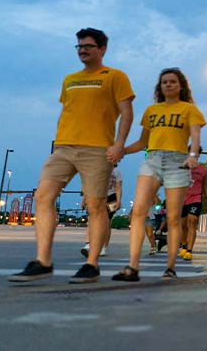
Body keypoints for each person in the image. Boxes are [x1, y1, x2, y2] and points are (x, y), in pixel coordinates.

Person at [9, 28, 134, 283]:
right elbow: (68, 112)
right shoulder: (70, 80)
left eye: (88, 46)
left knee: (96, 205)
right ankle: (43, 261)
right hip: (64, 147)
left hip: (97, 149)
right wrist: (58, 142)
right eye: (79, 46)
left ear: (101, 49)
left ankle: (92, 264)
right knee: (42, 196)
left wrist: (119, 144)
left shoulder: (115, 77)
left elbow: (127, 112)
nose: (82, 50)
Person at [113, 67, 204, 282]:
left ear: (180, 86)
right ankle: (133, 267)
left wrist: (193, 155)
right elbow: (143, 142)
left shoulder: (189, 109)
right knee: (138, 212)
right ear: (159, 87)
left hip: (177, 161)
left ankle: (170, 267)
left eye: (172, 81)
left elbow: (196, 133)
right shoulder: (152, 111)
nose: (168, 85)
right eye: (164, 82)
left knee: (173, 218)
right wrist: (122, 150)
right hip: (152, 160)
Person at [81, 166, 122, 258]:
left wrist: (119, 201)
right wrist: (84, 200)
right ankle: (88, 244)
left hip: (111, 198)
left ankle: (103, 247)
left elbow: (118, 187)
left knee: (107, 222)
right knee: (92, 219)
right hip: (97, 196)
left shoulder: (116, 171)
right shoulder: (96, 167)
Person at [179, 149, 207, 261]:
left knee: (192, 222)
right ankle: (183, 244)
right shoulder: (182, 167)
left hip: (196, 198)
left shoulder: (203, 170)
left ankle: (189, 250)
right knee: (183, 225)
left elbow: (206, 186)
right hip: (183, 199)